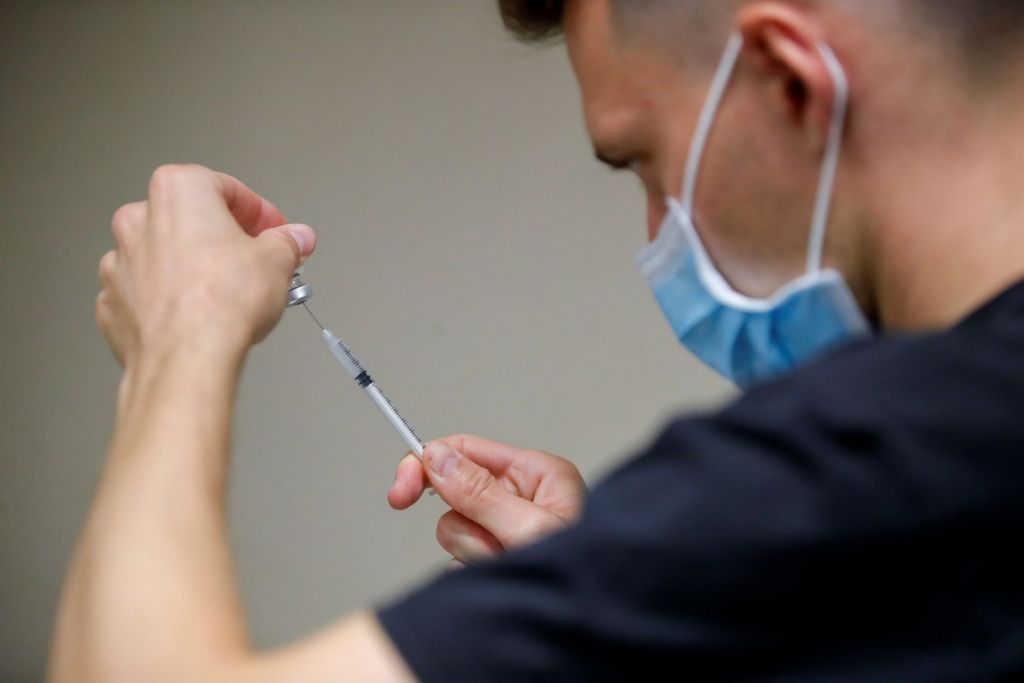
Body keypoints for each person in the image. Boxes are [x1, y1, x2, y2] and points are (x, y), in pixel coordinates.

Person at [47, 0, 1024, 680]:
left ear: (791, 83)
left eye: (645, 161)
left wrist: (181, 335)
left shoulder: (861, 469)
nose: (658, 233)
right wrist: (658, 608)